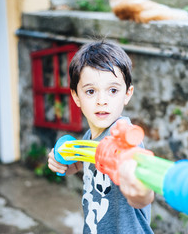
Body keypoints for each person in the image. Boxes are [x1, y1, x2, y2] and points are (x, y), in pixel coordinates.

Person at [47, 40, 154, 233]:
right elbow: (79, 165)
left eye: (113, 90)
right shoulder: (89, 136)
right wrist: (63, 164)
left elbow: (141, 196)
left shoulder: (125, 138)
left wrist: (142, 192)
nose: (101, 101)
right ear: (76, 97)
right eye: (90, 91)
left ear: (127, 94)